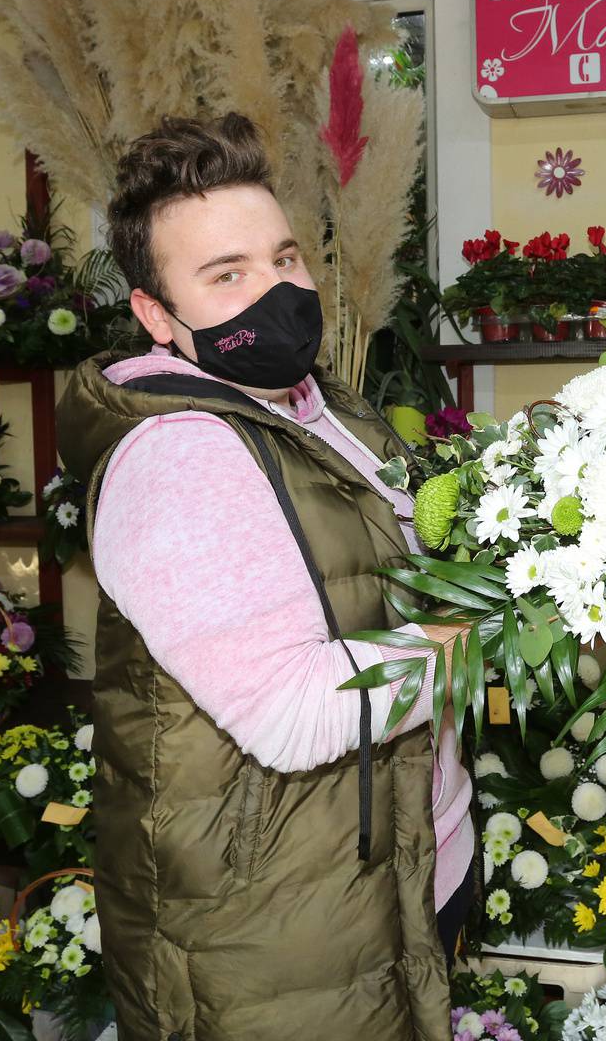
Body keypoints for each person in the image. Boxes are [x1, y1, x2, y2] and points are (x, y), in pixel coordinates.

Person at [56, 113, 470, 1041]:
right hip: (276, 932)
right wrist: (498, 631)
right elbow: (295, 712)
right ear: (158, 317)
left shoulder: (330, 414)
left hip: (397, 864)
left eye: (284, 259)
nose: (275, 293)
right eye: (226, 275)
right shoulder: (180, 458)